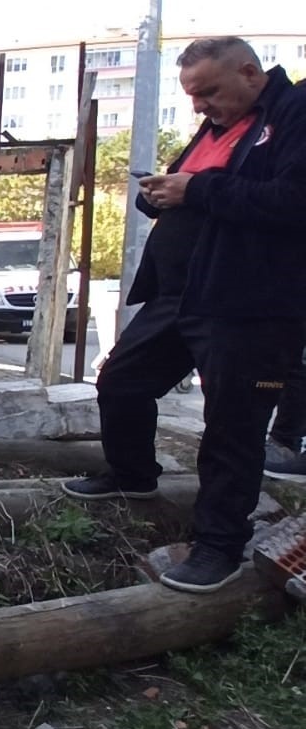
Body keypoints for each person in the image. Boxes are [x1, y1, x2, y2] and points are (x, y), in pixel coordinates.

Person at [62, 37, 306, 592]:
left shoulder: (295, 112)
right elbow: (191, 188)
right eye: (191, 96)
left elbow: (293, 201)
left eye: (208, 92)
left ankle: (218, 546)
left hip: (248, 302)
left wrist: (198, 190)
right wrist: (161, 192)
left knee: (230, 426)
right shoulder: (219, 125)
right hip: (180, 293)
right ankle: (133, 476)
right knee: (121, 381)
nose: (198, 106)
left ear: (250, 72)